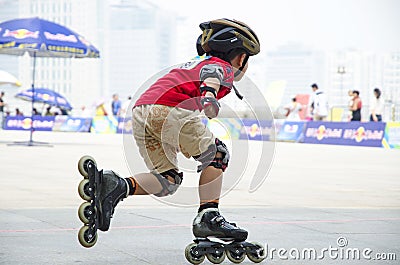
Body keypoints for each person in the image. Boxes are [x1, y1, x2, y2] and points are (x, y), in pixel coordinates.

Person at [92, 19, 260, 242]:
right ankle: (209, 217)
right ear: (240, 57)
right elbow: (212, 78)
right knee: (217, 155)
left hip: (142, 112)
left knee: (167, 180)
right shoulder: (223, 67)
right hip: (169, 109)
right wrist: (210, 98)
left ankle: (116, 186)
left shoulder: (194, 63)